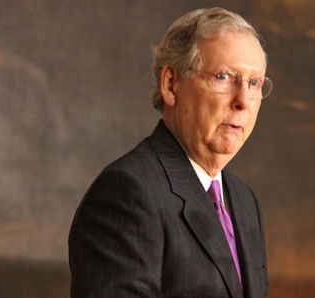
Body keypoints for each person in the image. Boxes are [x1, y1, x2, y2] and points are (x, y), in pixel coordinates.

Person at [68, 7, 271, 298]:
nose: (243, 101)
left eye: (254, 84)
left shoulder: (243, 200)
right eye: (224, 77)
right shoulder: (127, 193)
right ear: (171, 85)